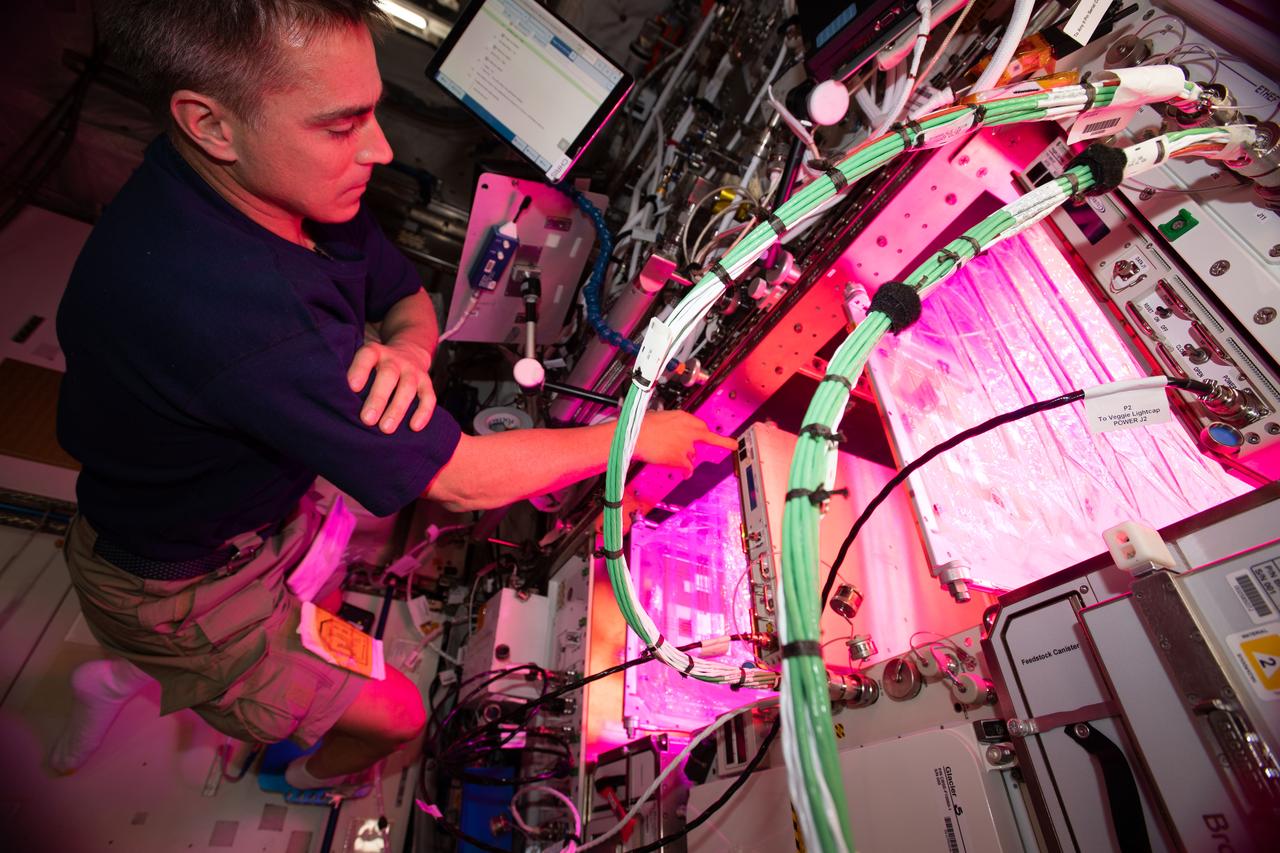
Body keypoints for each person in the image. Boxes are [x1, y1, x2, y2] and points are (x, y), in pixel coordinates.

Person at [56, 0, 733, 792]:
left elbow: (405, 291)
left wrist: (409, 351)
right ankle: (311, 782)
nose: (378, 148)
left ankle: (124, 677)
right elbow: (461, 479)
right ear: (210, 124)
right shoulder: (233, 307)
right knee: (400, 717)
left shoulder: (283, 193)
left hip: (256, 514)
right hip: (177, 587)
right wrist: (642, 436)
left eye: (372, 111)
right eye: (342, 126)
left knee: (325, 601)